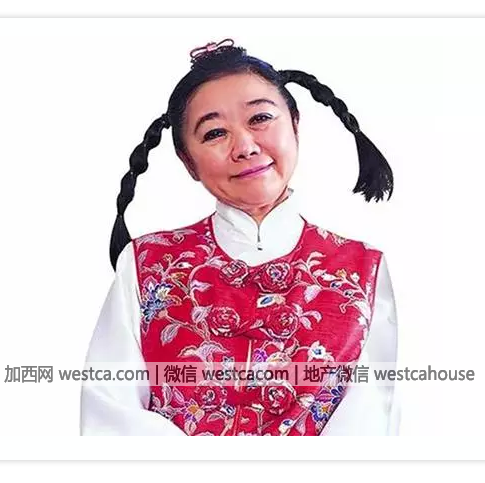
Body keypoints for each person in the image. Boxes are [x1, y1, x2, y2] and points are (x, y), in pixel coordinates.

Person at [80, 39, 400, 436]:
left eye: (260, 118)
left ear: (295, 125)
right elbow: (110, 412)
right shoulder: (147, 265)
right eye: (215, 133)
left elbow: (373, 421)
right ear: (188, 161)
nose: (245, 147)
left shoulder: (363, 270)